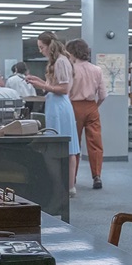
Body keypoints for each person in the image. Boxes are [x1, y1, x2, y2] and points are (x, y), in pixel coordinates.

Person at [26, 31, 81, 197]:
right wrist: (40, 82)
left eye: (42, 47)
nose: (40, 50)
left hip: (60, 107)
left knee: (63, 148)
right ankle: (63, 186)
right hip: (55, 106)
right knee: (60, 148)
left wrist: (44, 86)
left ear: (50, 46)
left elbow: (64, 89)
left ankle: (65, 187)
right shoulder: (58, 61)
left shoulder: (61, 62)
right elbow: (55, 86)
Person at [65, 38, 107, 190]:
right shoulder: (97, 69)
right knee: (95, 143)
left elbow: (66, 91)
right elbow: (102, 95)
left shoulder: (71, 69)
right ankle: (97, 176)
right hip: (92, 107)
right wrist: (95, 106)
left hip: (74, 106)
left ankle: (72, 177)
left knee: (74, 144)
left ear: (72, 52)